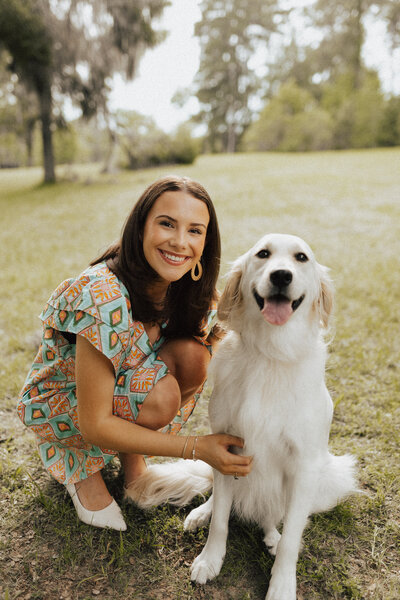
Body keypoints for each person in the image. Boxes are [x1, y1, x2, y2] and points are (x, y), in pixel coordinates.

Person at [17, 175, 252, 531]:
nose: (179, 242)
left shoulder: (189, 289)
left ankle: (131, 455)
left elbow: (242, 335)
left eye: (194, 231)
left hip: (125, 391)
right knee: (160, 396)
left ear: (206, 241)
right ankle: (78, 463)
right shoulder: (102, 293)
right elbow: (95, 423)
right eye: (167, 224)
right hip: (65, 405)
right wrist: (195, 448)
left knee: (193, 356)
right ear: (140, 227)